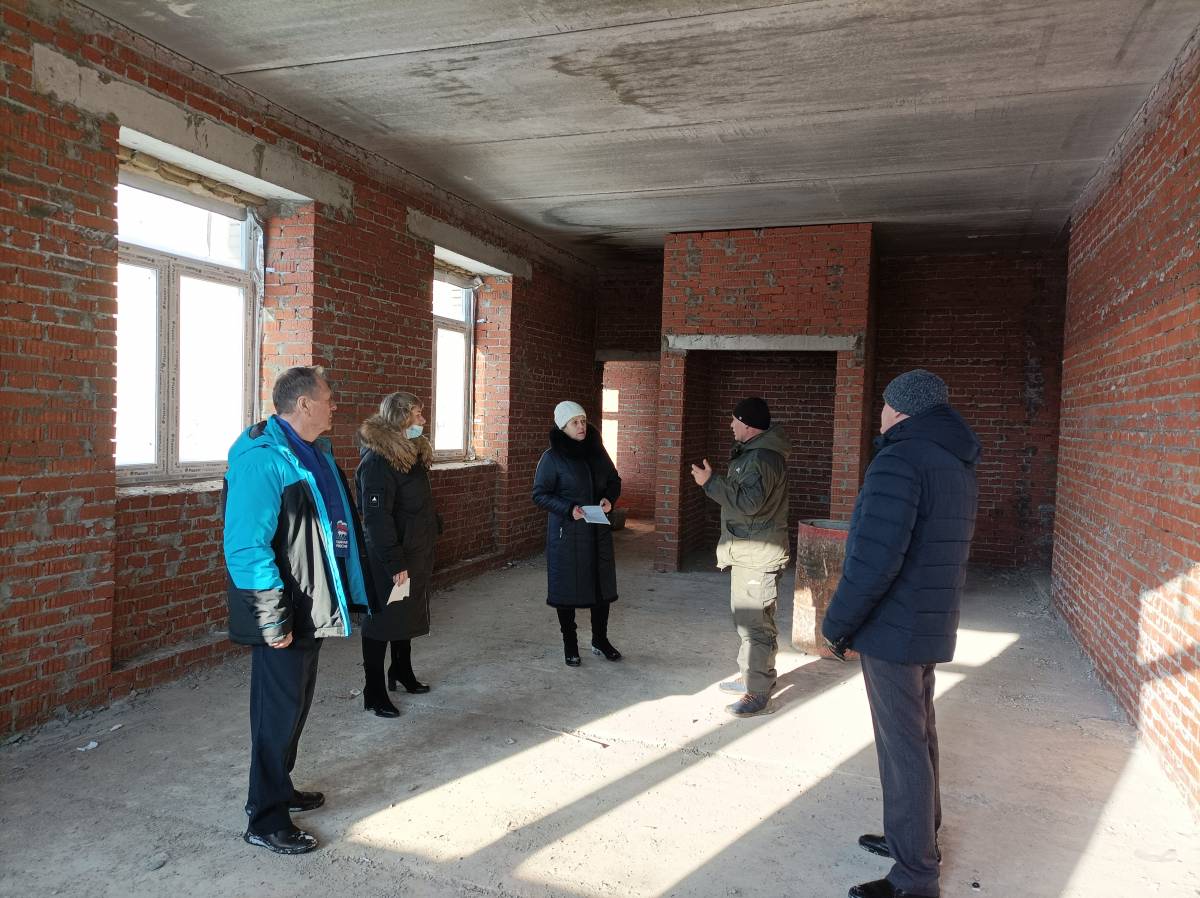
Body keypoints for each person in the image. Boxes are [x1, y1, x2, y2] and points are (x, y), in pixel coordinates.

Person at [821, 369, 980, 898]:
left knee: (902, 747)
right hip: (928, 621)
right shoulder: (954, 461)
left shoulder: (900, 460)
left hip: (893, 627)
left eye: (886, 405)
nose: (881, 414)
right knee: (920, 734)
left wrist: (837, 624)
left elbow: (873, 559)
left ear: (902, 410)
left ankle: (915, 876)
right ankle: (917, 840)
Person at [223, 365, 372, 855]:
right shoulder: (263, 461)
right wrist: (271, 616)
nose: (334, 405)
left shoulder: (315, 452)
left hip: (313, 603)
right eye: (328, 397)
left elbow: (331, 528)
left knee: (295, 706)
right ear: (304, 404)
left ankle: (280, 788)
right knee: (275, 713)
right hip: (285, 609)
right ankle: (265, 818)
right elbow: (246, 545)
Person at [690, 396, 790, 718]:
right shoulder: (755, 453)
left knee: (754, 624)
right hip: (752, 551)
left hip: (756, 555)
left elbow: (749, 503)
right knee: (753, 620)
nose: (731, 424)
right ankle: (755, 676)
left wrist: (710, 482)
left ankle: (757, 693)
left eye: (735, 419)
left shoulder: (760, 458)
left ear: (747, 424)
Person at [355, 392, 439, 718]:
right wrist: (395, 562)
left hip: (414, 550)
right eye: (417, 414)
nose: (422, 420)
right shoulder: (378, 461)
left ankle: (401, 670)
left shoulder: (410, 451)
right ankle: (374, 690)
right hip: (391, 557)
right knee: (381, 623)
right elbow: (376, 519)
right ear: (400, 418)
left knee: (406, 615)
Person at [533, 400, 623, 666]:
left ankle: (600, 640)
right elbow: (540, 494)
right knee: (567, 590)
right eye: (575, 422)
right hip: (567, 534)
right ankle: (570, 644)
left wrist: (609, 499)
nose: (581, 426)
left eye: (583, 421)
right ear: (563, 427)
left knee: (601, 588)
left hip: (598, 531)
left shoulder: (597, 452)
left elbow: (614, 480)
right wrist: (568, 508)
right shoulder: (552, 458)